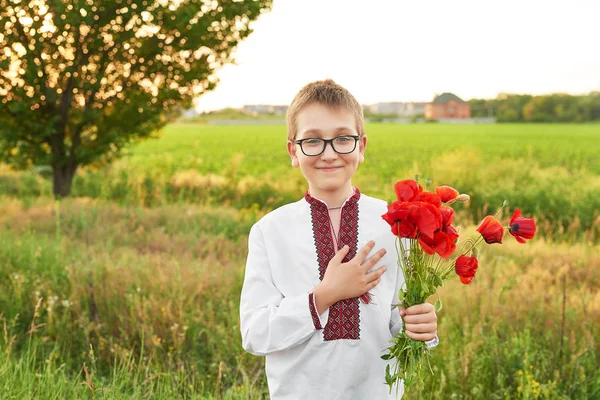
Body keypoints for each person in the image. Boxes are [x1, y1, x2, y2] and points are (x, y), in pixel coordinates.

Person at [239, 79, 438, 399]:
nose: (329, 153)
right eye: (313, 141)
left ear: (361, 147)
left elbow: (399, 321)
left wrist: (421, 328)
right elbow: (255, 334)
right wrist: (325, 295)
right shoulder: (270, 231)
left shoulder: (396, 224)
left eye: (343, 138)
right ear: (293, 151)